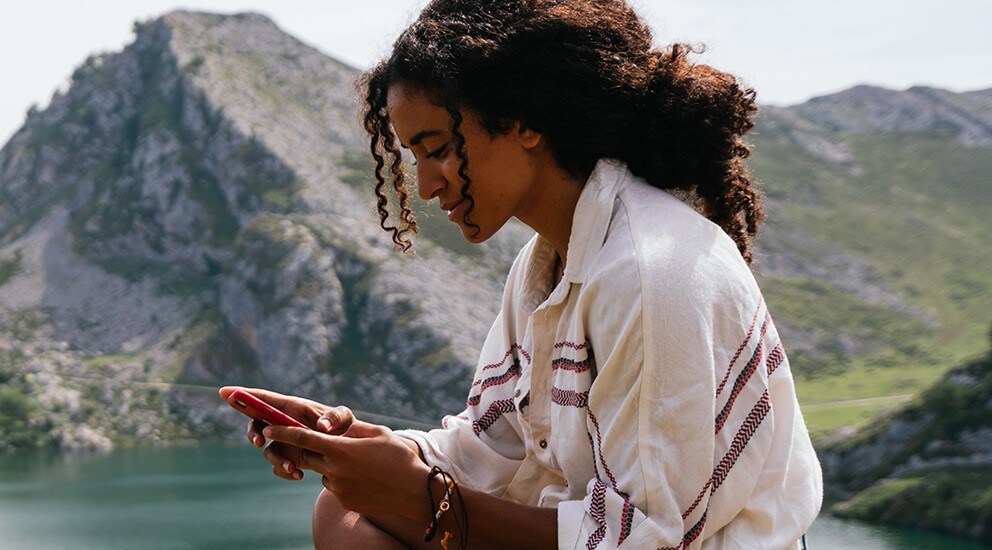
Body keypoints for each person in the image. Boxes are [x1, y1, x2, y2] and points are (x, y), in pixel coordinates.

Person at [223, 0, 824, 547]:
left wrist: (422, 497)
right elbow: (494, 446)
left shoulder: (648, 271)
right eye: (413, 158)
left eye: (438, 148)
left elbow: (650, 537)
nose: (425, 186)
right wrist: (362, 451)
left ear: (524, 122)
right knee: (344, 511)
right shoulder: (545, 266)